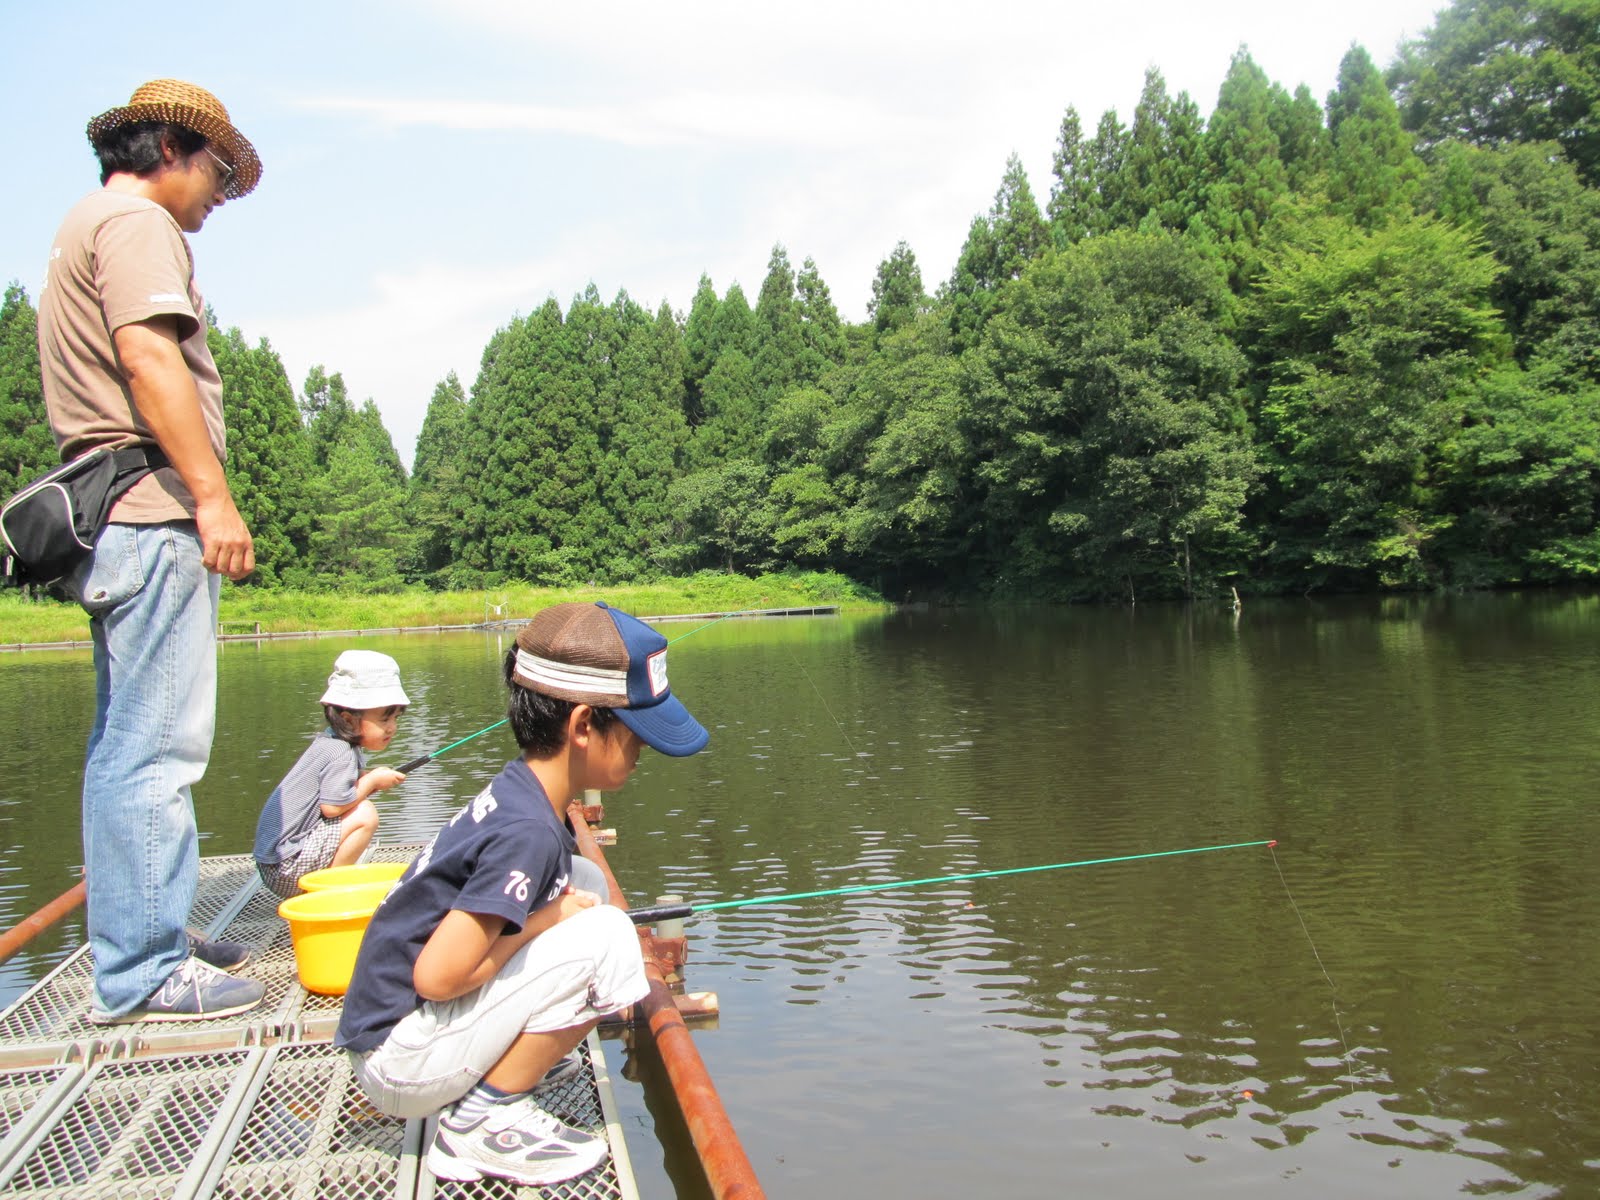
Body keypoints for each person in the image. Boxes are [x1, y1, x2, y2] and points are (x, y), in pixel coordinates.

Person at [336, 602, 710, 1187]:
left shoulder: (521, 790)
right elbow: (437, 977)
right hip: (400, 1060)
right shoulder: (527, 833)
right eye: (635, 731)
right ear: (583, 725)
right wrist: (544, 921)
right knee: (608, 933)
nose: (643, 750)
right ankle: (481, 1121)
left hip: (397, 1035)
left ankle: (501, 1069)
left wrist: (555, 910)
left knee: (585, 884)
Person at [37, 80, 265, 1023]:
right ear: (170, 148)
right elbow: (149, 358)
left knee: (126, 745)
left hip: (112, 518)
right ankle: (142, 972)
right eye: (217, 171)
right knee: (156, 753)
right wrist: (212, 497)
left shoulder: (80, 225)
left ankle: (148, 930)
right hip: (147, 512)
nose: (219, 194)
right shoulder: (136, 227)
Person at [254, 651, 410, 899]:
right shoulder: (341, 752)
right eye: (384, 719)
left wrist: (369, 778)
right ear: (348, 719)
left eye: (395, 718)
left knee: (360, 807)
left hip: (274, 864)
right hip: (285, 869)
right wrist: (370, 782)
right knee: (365, 814)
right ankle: (330, 891)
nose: (392, 727)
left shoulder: (331, 742)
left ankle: (330, 882)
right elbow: (332, 808)